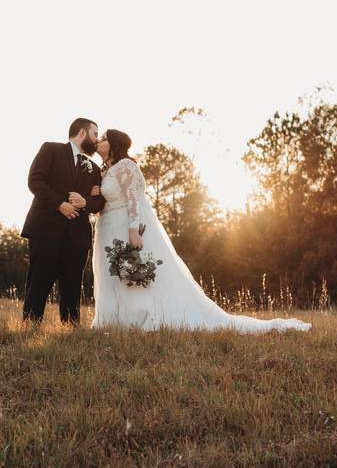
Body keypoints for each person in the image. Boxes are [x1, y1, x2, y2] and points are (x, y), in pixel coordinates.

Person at [91, 129, 312, 333]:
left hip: (124, 226)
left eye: (103, 138)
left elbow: (134, 200)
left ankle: (145, 317)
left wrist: (133, 230)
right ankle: (116, 320)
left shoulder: (126, 166)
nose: (98, 141)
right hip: (108, 228)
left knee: (133, 271)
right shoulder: (107, 169)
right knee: (116, 275)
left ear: (114, 144)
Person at [20, 117, 106, 326]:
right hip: (45, 230)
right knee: (39, 281)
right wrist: (60, 204)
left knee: (72, 285)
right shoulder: (51, 150)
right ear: (83, 133)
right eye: (95, 134)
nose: (97, 140)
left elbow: (99, 202)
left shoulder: (94, 169)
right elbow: (35, 180)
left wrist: (86, 202)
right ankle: (30, 326)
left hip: (76, 236)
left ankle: (70, 328)